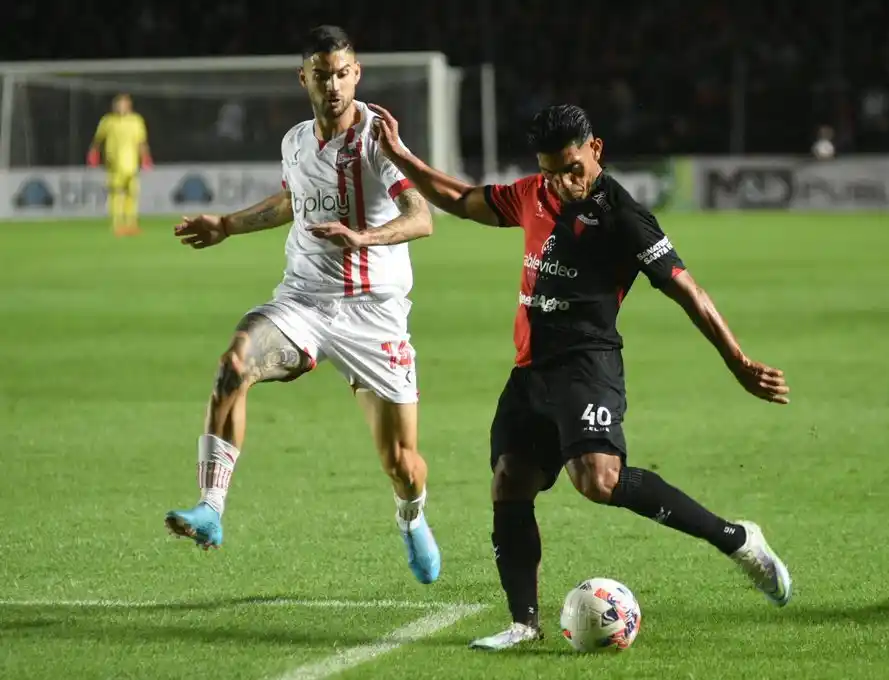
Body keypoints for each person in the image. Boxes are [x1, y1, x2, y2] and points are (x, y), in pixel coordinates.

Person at [368, 102, 793, 647]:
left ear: (595, 150)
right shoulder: (532, 194)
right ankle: (524, 623)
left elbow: (688, 290)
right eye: (550, 171)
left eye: (572, 167)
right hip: (530, 369)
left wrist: (738, 362)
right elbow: (460, 198)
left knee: (598, 480)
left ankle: (735, 539)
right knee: (510, 481)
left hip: (587, 363)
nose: (564, 182)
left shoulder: (624, 216)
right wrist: (402, 156)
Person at [164, 25, 442, 585]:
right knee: (233, 365)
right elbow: (292, 201)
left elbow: (422, 218)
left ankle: (411, 517)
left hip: (374, 314)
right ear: (305, 79)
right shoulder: (294, 141)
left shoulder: (377, 139)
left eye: (343, 73)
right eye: (323, 76)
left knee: (402, 464)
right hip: (305, 301)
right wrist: (227, 225)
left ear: (356, 73)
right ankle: (211, 509)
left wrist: (365, 238)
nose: (334, 86)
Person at [87, 93, 152, 236]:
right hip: (114, 165)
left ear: (129, 106)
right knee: (116, 193)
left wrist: (146, 158)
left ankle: (131, 224)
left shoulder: (136, 121)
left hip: (131, 164)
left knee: (132, 193)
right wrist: (93, 154)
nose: (120, 107)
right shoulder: (108, 121)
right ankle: (117, 224)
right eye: (118, 104)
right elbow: (98, 140)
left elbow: (141, 142)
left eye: (123, 104)